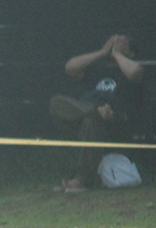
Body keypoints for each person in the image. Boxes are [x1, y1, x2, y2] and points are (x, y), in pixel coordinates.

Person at [49, 34, 144, 192]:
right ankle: (93, 111)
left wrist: (117, 54)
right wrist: (102, 52)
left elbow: (135, 72)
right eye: (113, 41)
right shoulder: (96, 68)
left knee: (91, 122)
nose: (115, 43)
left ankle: (81, 180)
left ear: (131, 52)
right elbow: (70, 68)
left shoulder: (129, 71)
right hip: (83, 114)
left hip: (112, 120)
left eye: (122, 42)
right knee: (56, 102)